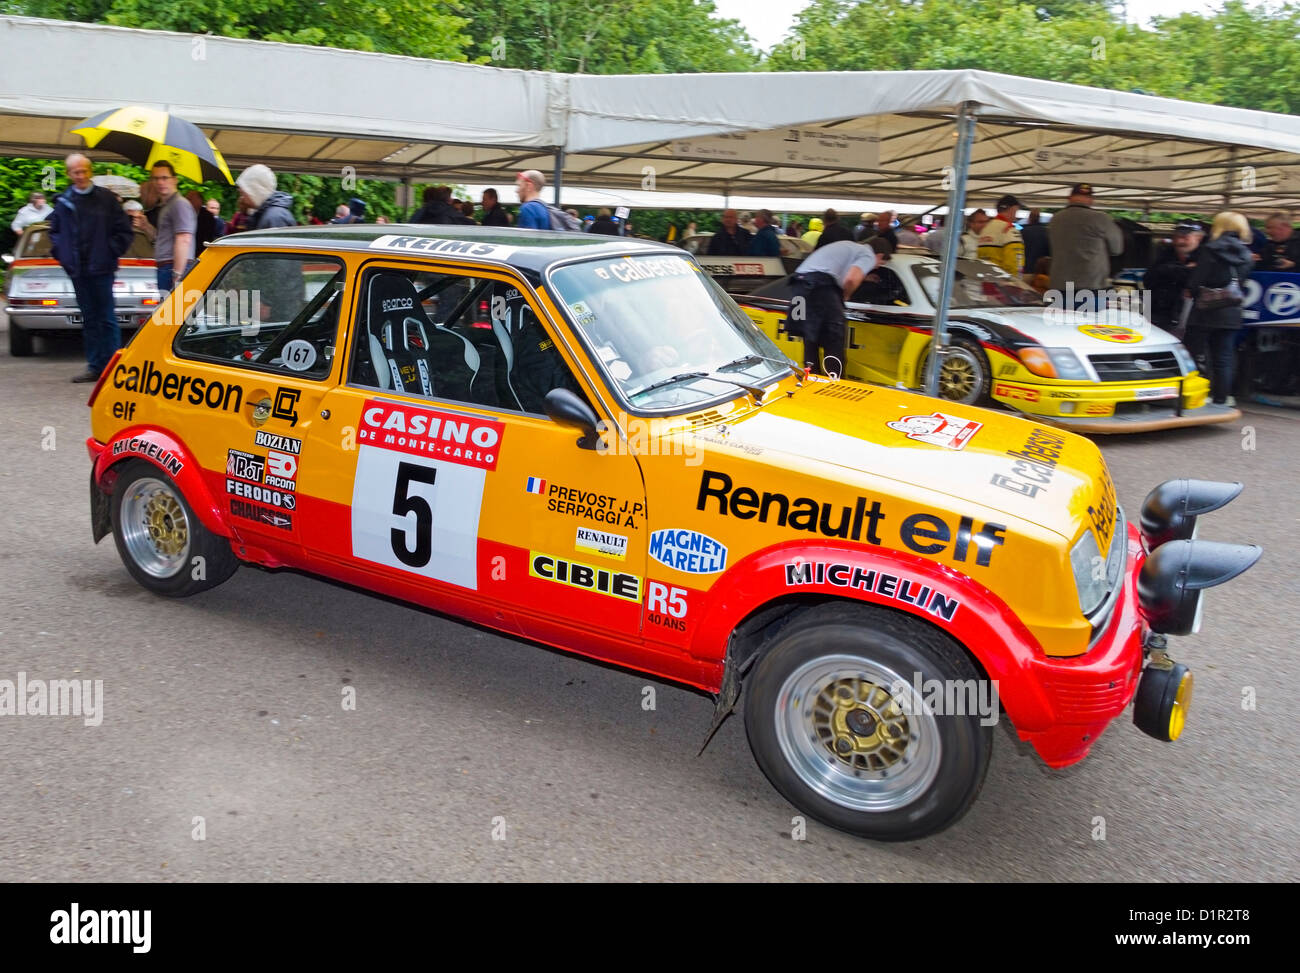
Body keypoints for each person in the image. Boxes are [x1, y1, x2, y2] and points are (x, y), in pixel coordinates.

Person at [46, 153, 133, 382]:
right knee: (89, 318)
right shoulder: (64, 202)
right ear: (69, 174)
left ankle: (114, 368)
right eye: (76, 172)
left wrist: (109, 251)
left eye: (85, 170)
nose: (81, 175)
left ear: (90, 171)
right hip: (78, 270)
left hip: (102, 268)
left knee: (107, 318)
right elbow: (54, 233)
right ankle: (95, 366)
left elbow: (124, 231)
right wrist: (63, 256)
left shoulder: (106, 199)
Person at [1184, 211, 1252, 406]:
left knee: (1193, 352)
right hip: (1231, 311)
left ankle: (1192, 394)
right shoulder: (1246, 254)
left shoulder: (1210, 249)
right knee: (1224, 356)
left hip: (1206, 309)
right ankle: (1221, 398)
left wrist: (1193, 289)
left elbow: (1197, 281)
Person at [788, 239, 881, 376]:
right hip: (819, 286)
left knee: (810, 334)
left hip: (798, 287)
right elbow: (850, 279)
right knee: (834, 335)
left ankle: (811, 377)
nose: (876, 266)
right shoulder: (868, 254)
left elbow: (837, 269)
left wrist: (865, 277)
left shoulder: (849, 247)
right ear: (879, 255)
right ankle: (834, 381)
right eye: (880, 263)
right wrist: (845, 296)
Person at [1047, 183, 1122, 293]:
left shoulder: (1055, 219)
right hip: (1091, 285)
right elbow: (1117, 249)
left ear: (1069, 198)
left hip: (1059, 284)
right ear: (1091, 200)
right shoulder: (1100, 218)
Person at [1143, 222, 1204, 337]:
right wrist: (1183, 269)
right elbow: (1148, 279)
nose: (1179, 242)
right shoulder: (1166, 253)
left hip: (1191, 318)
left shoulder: (1205, 256)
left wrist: (1171, 271)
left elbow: (1197, 282)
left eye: (1185, 238)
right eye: (1176, 237)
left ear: (1198, 238)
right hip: (1159, 312)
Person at [148, 160, 195, 293]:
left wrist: (177, 275)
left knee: (173, 312)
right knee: (171, 312)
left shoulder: (179, 204)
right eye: (156, 178)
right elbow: (162, 239)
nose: (160, 182)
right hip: (168, 267)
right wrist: (146, 226)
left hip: (173, 268)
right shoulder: (167, 205)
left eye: (164, 178)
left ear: (175, 180)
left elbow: (184, 239)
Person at [235, 164, 296, 231]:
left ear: (255, 191)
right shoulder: (265, 214)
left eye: (243, 193)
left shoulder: (275, 218)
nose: (242, 198)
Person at [977, 194, 1025, 274]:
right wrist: (1017, 280)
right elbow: (1015, 262)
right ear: (1013, 209)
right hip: (1003, 283)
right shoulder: (1009, 229)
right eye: (1017, 210)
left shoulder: (985, 229)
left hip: (985, 280)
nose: (1016, 215)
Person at [1021, 208, 1050, 277]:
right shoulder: (1047, 232)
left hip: (1026, 270)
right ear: (1039, 218)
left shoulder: (1023, 232)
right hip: (1041, 272)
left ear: (1029, 218)